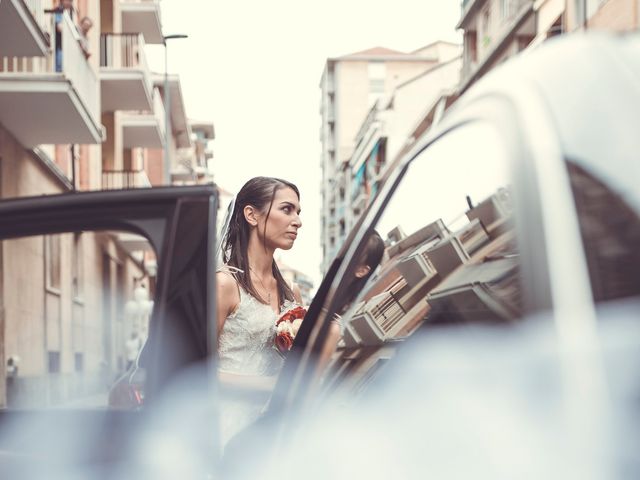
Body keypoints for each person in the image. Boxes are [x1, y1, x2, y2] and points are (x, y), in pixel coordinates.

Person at [216, 176, 303, 448]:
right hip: (230, 430)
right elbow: (196, 373)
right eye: (287, 209)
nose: (298, 221)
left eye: (299, 212)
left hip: (277, 429)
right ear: (252, 215)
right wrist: (270, 385)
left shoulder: (292, 294)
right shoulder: (224, 285)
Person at [53, 0, 75, 72]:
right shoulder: (59, 10)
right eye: (68, 0)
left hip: (65, 45)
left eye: (71, 1)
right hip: (59, 44)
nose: (70, 3)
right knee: (59, 66)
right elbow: (59, 27)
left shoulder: (70, 13)